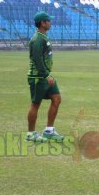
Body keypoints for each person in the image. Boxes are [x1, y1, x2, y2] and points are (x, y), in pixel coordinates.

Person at [26, 11, 64, 143]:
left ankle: (49, 131)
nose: (50, 22)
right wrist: (46, 74)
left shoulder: (43, 36)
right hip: (38, 77)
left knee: (57, 98)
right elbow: (37, 59)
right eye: (48, 20)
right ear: (42, 23)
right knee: (35, 104)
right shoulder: (37, 39)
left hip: (45, 76)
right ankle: (31, 133)